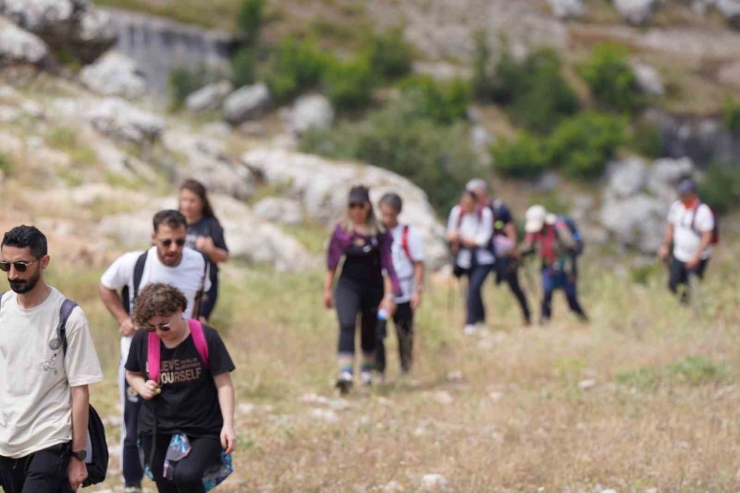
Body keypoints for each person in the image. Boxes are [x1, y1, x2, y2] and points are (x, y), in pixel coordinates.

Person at [99, 210, 211, 493]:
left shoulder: (198, 262)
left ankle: (177, 478)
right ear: (153, 238)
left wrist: (199, 327)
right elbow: (106, 286)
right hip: (140, 357)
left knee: (183, 423)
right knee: (134, 425)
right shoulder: (134, 263)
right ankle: (132, 484)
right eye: (166, 242)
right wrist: (123, 319)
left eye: (180, 241)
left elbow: (199, 296)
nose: (173, 248)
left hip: (184, 359)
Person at [0, 226, 103, 492]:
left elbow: (80, 391)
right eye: (5, 265)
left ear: (44, 262)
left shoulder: (68, 316)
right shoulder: (1, 309)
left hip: (49, 439)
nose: (12, 274)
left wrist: (78, 457)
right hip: (5, 440)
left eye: (21, 266)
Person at [125, 283, 236, 493]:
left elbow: (224, 383)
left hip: (203, 427)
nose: (158, 332)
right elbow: (132, 373)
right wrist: (142, 387)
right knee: (166, 485)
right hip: (157, 427)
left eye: (164, 325)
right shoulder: (144, 338)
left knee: (187, 476)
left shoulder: (206, 336)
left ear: (179, 310)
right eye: (152, 327)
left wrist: (228, 425)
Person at [324, 185, 400, 393]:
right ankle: (345, 374)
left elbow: (388, 267)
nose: (357, 210)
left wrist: (389, 296)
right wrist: (327, 290)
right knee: (347, 324)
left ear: (368, 206)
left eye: (361, 205)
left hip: (373, 287)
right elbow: (332, 263)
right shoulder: (342, 231)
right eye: (353, 206)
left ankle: (366, 370)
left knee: (368, 328)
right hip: (347, 285)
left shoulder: (379, 233)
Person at [466, 178, 531, 326]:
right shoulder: (472, 211)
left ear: (483, 192)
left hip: (501, 255)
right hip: (481, 255)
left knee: (514, 285)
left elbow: (510, 229)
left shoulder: (497, 208)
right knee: (474, 287)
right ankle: (477, 320)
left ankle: (527, 315)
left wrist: (513, 249)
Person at [376, 192, 425, 377]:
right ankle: (379, 369)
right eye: (384, 213)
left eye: (390, 214)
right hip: (381, 293)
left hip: (403, 291)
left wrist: (417, 291)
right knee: (378, 330)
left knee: (404, 333)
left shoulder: (408, 234)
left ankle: (406, 369)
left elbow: (418, 264)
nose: (386, 218)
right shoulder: (378, 233)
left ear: (397, 213)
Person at [521, 205, 588, 324]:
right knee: (546, 293)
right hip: (548, 266)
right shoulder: (534, 233)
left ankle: (583, 320)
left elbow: (571, 247)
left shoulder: (559, 228)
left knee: (570, 295)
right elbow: (528, 247)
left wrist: (571, 270)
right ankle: (544, 321)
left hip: (565, 267)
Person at [658, 178, 715, 303]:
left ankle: (692, 309)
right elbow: (671, 227)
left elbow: (707, 236)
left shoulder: (703, 211)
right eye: (680, 193)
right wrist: (666, 246)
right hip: (679, 254)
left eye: (684, 193)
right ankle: (684, 304)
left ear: (693, 194)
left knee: (692, 287)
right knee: (673, 284)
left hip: (696, 258)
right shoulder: (677, 207)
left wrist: (697, 256)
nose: (681, 196)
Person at [179, 179, 229, 322]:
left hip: (204, 286)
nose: (187, 205)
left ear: (202, 202)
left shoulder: (211, 225)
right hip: (177, 281)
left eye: (192, 200)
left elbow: (224, 256)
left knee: (197, 324)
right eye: (184, 200)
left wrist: (210, 250)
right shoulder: (174, 221)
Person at [446, 190, 495, 335]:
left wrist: (461, 238)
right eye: (463, 203)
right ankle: (481, 320)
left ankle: (470, 321)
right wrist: (454, 238)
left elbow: (481, 240)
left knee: (473, 288)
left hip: (484, 259)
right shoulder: (457, 213)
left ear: (476, 202)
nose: (465, 206)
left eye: (469, 204)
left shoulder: (485, 214)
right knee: (474, 290)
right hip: (465, 259)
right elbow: (450, 233)